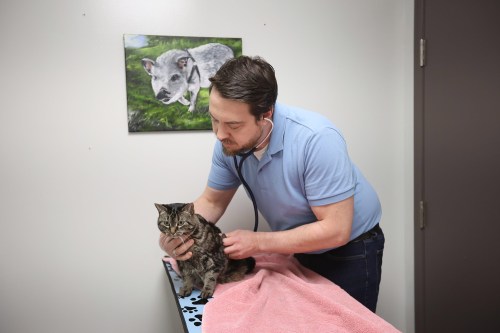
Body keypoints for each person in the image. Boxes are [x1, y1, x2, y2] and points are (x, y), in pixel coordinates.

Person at [159, 55, 384, 312]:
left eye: (233, 124)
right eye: (214, 119)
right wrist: (175, 236)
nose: (220, 134)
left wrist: (258, 242)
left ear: (266, 114)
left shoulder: (317, 139)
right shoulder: (227, 144)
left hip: (350, 249)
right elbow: (211, 201)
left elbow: (336, 229)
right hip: (297, 247)